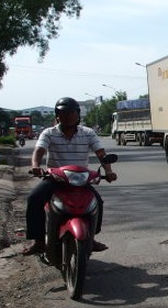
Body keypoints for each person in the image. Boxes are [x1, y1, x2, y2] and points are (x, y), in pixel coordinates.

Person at [22, 97, 117, 255]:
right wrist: (35, 166)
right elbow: (39, 151)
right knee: (34, 198)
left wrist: (108, 171)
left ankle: (91, 238)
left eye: (71, 112)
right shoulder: (49, 133)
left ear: (78, 115)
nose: (67, 116)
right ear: (57, 115)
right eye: (62, 112)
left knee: (97, 202)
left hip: (81, 180)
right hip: (55, 178)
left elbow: (101, 153)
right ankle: (38, 241)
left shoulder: (88, 133)